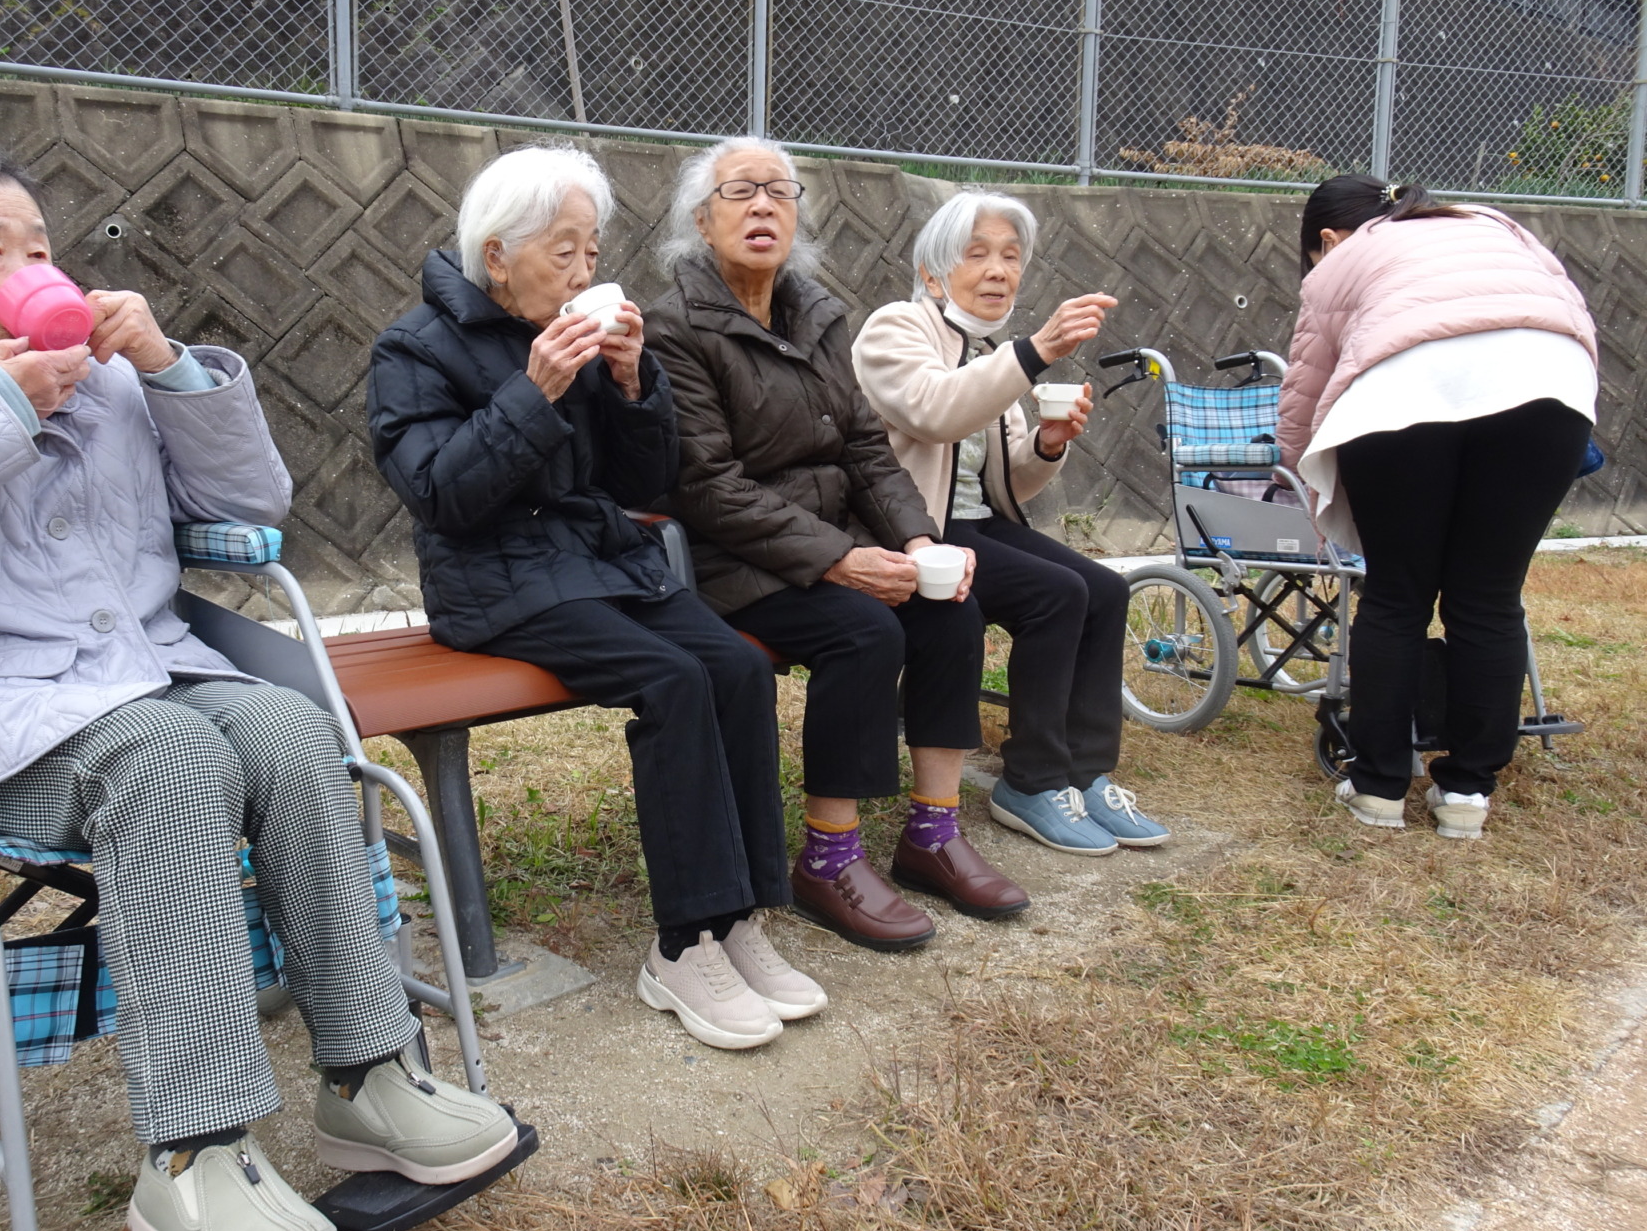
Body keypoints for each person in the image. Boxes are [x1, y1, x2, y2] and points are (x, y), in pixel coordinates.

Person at [0, 138, 518, 1231]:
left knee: (294, 732)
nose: (25, 265)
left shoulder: (100, 376)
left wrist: (169, 372)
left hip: (143, 669)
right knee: (168, 755)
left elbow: (248, 511)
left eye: (38, 246)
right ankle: (194, 1157)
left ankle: (369, 1072)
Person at [367, 145, 822, 1054]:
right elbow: (443, 498)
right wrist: (532, 392)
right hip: (492, 581)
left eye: (591, 250)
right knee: (671, 680)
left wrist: (631, 385)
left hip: (598, 561)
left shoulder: (577, 327)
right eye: (562, 252)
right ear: (497, 256)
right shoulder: (414, 347)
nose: (584, 271)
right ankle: (684, 944)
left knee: (734, 665)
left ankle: (740, 922)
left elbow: (644, 482)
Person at [646, 137, 1028, 954]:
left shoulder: (816, 312)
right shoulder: (673, 328)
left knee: (953, 611)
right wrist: (839, 560)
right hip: (731, 557)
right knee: (866, 631)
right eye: (740, 192)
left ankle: (931, 833)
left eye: (780, 192)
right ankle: (829, 856)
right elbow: (707, 485)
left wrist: (919, 542)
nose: (762, 207)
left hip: (825, 541)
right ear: (700, 220)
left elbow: (865, 451)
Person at [1278, 174, 1597, 840]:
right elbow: (1568, 314)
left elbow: (1304, 392)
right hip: (1550, 387)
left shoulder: (1350, 256)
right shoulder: (1496, 225)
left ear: (1326, 240)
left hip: (1401, 393)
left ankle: (1378, 790)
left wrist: (1309, 481)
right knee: (1488, 597)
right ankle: (1465, 796)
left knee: (1397, 595)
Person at [853, 190, 1170, 854]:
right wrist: (1034, 352)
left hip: (973, 521)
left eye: (1011, 256)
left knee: (1107, 590)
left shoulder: (991, 346)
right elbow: (933, 411)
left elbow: (1009, 482)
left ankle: (1085, 775)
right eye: (979, 255)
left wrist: (1050, 443)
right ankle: (1030, 780)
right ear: (934, 273)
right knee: (1058, 593)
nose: (1000, 270)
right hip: (912, 528)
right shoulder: (896, 328)